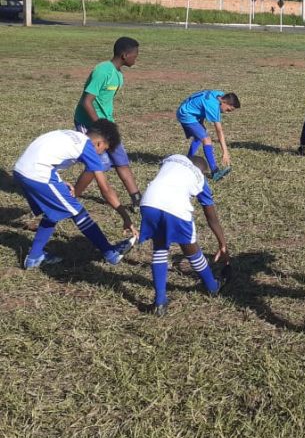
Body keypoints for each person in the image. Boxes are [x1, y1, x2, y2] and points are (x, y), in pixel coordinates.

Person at [12, 120, 136, 269]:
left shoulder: (72, 135)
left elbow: (46, 156)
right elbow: (106, 190)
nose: (101, 154)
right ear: (99, 143)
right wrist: (125, 216)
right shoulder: (88, 147)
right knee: (79, 213)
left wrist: (58, 184)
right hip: (38, 174)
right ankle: (110, 253)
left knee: (52, 212)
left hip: (22, 170)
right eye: (104, 150)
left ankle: (34, 257)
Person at [138, 154, 229, 316]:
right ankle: (213, 286)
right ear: (202, 171)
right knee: (191, 250)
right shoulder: (200, 178)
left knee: (159, 246)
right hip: (177, 209)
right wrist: (222, 243)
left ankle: (159, 302)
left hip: (149, 202)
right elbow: (211, 217)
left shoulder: (172, 158)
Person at [72, 36, 142, 210]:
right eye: (135, 55)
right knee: (98, 163)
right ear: (125, 55)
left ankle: (137, 200)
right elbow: (87, 102)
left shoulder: (118, 75)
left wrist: (107, 126)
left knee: (120, 158)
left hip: (106, 124)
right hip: (90, 124)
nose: (136, 58)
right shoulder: (103, 70)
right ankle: (71, 199)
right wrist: (100, 128)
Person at [176, 89, 240, 180]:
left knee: (201, 133)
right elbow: (219, 131)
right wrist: (225, 152)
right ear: (224, 102)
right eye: (228, 110)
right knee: (206, 139)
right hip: (186, 114)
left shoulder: (219, 95)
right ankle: (215, 172)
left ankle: (188, 161)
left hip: (190, 109)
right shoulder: (213, 106)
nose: (226, 112)